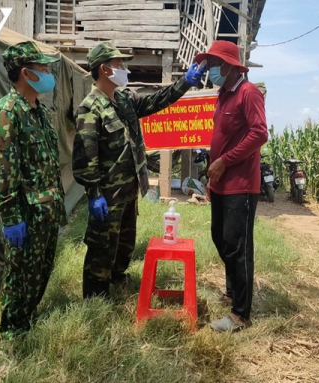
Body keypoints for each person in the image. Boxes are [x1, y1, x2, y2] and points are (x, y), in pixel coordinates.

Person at [72, 42, 206, 298]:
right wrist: (93, 193)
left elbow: (156, 102)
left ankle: (118, 277)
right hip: (107, 193)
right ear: (104, 69)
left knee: (125, 240)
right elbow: (85, 156)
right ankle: (96, 297)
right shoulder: (90, 107)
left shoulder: (124, 98)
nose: (124, 68)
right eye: (119, 64)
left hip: (128, 187)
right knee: (102, 245)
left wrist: (185, 83)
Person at [0, 41, 67, 339]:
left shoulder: (40, 112)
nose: (48, 73)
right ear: (26, 73)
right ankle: (12, 335)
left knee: (39, 274)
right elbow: (4, 169)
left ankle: (28, 321)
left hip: (47, 210)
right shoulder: (6, 112)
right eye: (43, 68)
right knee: (19, 277)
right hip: (25, 215)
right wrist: (10, 216)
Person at [195, 40, 268, 332]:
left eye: (213, 63)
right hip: (221, 183)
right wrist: (215, 172)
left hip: (241, 185)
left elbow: (259, 133)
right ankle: (232, 291)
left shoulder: (248, 93)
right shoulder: (224, 94)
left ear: (228, 65)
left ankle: (241, 314)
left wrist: (225, 160)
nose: (210, 69)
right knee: (220, 238)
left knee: (238, 247)